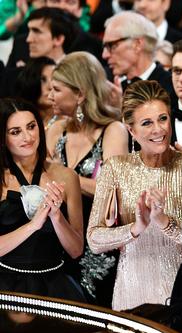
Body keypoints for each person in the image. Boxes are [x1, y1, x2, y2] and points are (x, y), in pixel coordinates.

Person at [87, 80, 182, 311]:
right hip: (131, 296)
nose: (159, 130)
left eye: (163, 118)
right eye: (147, 123)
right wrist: (136, 228)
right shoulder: (116, 168)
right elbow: (94, 240)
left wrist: (164, 222)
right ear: (131, 130)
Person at [45, 51, 128, 304]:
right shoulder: (55, 129)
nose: (49, 96)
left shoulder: (114, 130)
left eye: (57, 89)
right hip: (58, 238)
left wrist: (67, 178)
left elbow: (113, 188)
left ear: (80, 94)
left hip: (97, 244)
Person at [0, 98, 84, 302]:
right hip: (5, 286)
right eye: (15, 131)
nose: (27, 137)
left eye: (31, 127)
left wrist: (57, 218)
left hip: (55, 286)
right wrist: (33, 225)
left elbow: (76, 250)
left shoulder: (66, 177)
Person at [102, 11, 174, 97]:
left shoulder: (173, 87)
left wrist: (119, 108)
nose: (104, 55)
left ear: (137, 44)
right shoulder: (105, 83)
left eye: (111, 46)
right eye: (104, 47)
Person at [13, 57, 56, 126]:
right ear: (29, 83)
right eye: (42, 80)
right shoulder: (15, 123)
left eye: (54, 79)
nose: (51, 87)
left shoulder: (71, 123)